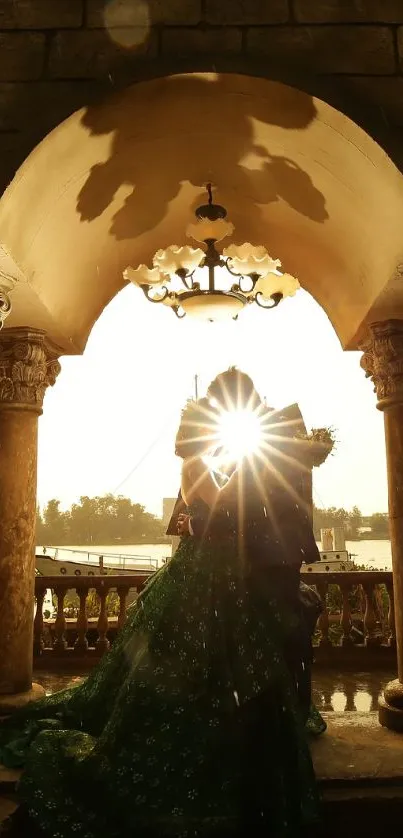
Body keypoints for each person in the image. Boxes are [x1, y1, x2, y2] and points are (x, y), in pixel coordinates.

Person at [0, 395, 320, 838]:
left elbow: (219, 515)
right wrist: (273, 462)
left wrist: (282, 458)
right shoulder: (194, 468)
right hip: (202, 575)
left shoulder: (208, 465)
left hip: (225, 574)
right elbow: (228, 505)